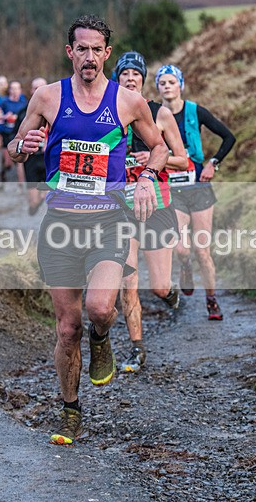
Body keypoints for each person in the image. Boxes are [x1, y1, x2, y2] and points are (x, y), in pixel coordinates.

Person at [7, 15, 168, 446]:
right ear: (70, 52)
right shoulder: (47, 97)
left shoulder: (129, 101)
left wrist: (147, 178)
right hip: (61, 224)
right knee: (66, 328)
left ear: (107, 54)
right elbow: (15, 148)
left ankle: (102, 337)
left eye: (97, 49)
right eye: (82, 49)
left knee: (99, 308)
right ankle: (70, 412)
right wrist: (23, 146)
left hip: (108, 222)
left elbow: (159, 147)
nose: (90, 57)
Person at [112, 51, 189, 373]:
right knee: (128, 282)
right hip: (121, 209)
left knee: (158, 286)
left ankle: (172, 294)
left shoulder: (160, 114)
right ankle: (137, 348)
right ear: (117, 79)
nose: (131, 78)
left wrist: (156, 161)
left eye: (136, 74)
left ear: (143, 80)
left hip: (156, 205)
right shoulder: (107, 114)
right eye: (125, 74)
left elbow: (183, 160)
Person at [155, 64, 236, 321]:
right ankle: (185, 266)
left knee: (202, 250)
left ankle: (211, 300)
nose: (167, 86)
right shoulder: (155, 115)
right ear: (157, 88)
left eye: (171, 82)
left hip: (198, 186)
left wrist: (213, 163)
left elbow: (228, 137)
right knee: (181, 250)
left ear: (181, 85)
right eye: (162, 83)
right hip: (173, 189)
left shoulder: (195, 111)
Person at [11, 77, 48, 214]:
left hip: (48, 158)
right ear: (31, 91)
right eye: (35, 88)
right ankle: (37, 202)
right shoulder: (23, 113)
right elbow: (15, 139)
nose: (38, 90)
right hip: (31, 159)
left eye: (41, 87)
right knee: (33, 202)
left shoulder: (56, 111)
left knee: (48, 195)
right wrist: (19, 164)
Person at [0, 81, 28, 181]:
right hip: (7, 133)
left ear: (20, 90)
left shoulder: (24, 103)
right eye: (12, 88)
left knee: (20, 160)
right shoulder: (4, 102)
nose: (14, 91)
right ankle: (3, 171)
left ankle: (21, 185)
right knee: (8, 163)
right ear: (9, 90)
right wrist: (5, 117)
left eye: (17, 88)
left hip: (20, 133)